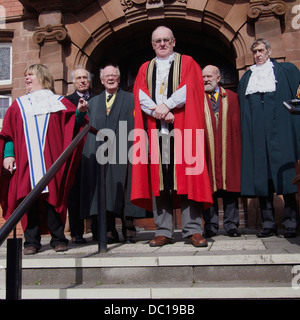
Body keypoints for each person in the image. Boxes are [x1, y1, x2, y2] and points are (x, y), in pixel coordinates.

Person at [131, 26, 212, 247]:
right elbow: (140, 94)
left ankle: (193, 230)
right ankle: (163, 230)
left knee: (187, 178)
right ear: (152, 44)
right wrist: (158, 112)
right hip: (156, 132)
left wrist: (167, 105)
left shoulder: (187, 62)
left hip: (183, 130)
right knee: (161, 181)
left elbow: (191, 88)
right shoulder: (145, 68)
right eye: (158, 41)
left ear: (174, 41)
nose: (162, 44)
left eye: (166, 40)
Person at [0, 64, 88, 254]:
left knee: (54, 198)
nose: (26, 78)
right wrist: (8, 154)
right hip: (26, 161)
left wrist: (80, 112)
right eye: (25, 75)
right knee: (27, 198)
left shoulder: (59, 102)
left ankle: (58, 238)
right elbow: (9, 133)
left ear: (42, 77)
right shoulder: (19, 104)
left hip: (52, 159)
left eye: (30, 74)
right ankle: (31, 241)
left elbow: (74, 126)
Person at [238, 39, 300, 238]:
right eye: (255, 51)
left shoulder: (286, 71)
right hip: (257, 139)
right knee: (262, 182)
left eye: (261, 50)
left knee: (287, 179)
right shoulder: (247, 79)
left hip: (281, 137)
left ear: (269, 51)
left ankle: (291, 223)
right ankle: (268, 224)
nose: (258, 55)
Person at [80, 64, 146, 244]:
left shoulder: (131, 99)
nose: (110, 78)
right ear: (101, 80)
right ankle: (108, 230)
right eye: (107, 76)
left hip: (125, 150)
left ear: (119, 78)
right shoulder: (92, 103)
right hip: (100, 153)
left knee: (126, 190)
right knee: (103, 190)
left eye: (114, 76)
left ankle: (129, 229)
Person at [202, 65, 241, 238]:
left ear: (218, 78)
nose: (206, 80)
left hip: (228, 148)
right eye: (203, 77)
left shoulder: (232, 98)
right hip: (206, 148)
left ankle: (231, 225)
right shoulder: (197, 99)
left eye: (209, 76)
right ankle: (210, 225)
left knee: (230, 187)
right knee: (208, 188)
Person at [65, 66, 95, 244]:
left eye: (85, 77)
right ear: (73, 82)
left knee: (95, 190)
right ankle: (76, 232)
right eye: (79, 78)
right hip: (75, 152)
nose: (82, 80)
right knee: (74, 193)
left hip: (95, 151)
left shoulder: (99, 98)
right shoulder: (67, 101)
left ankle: (99, 230)